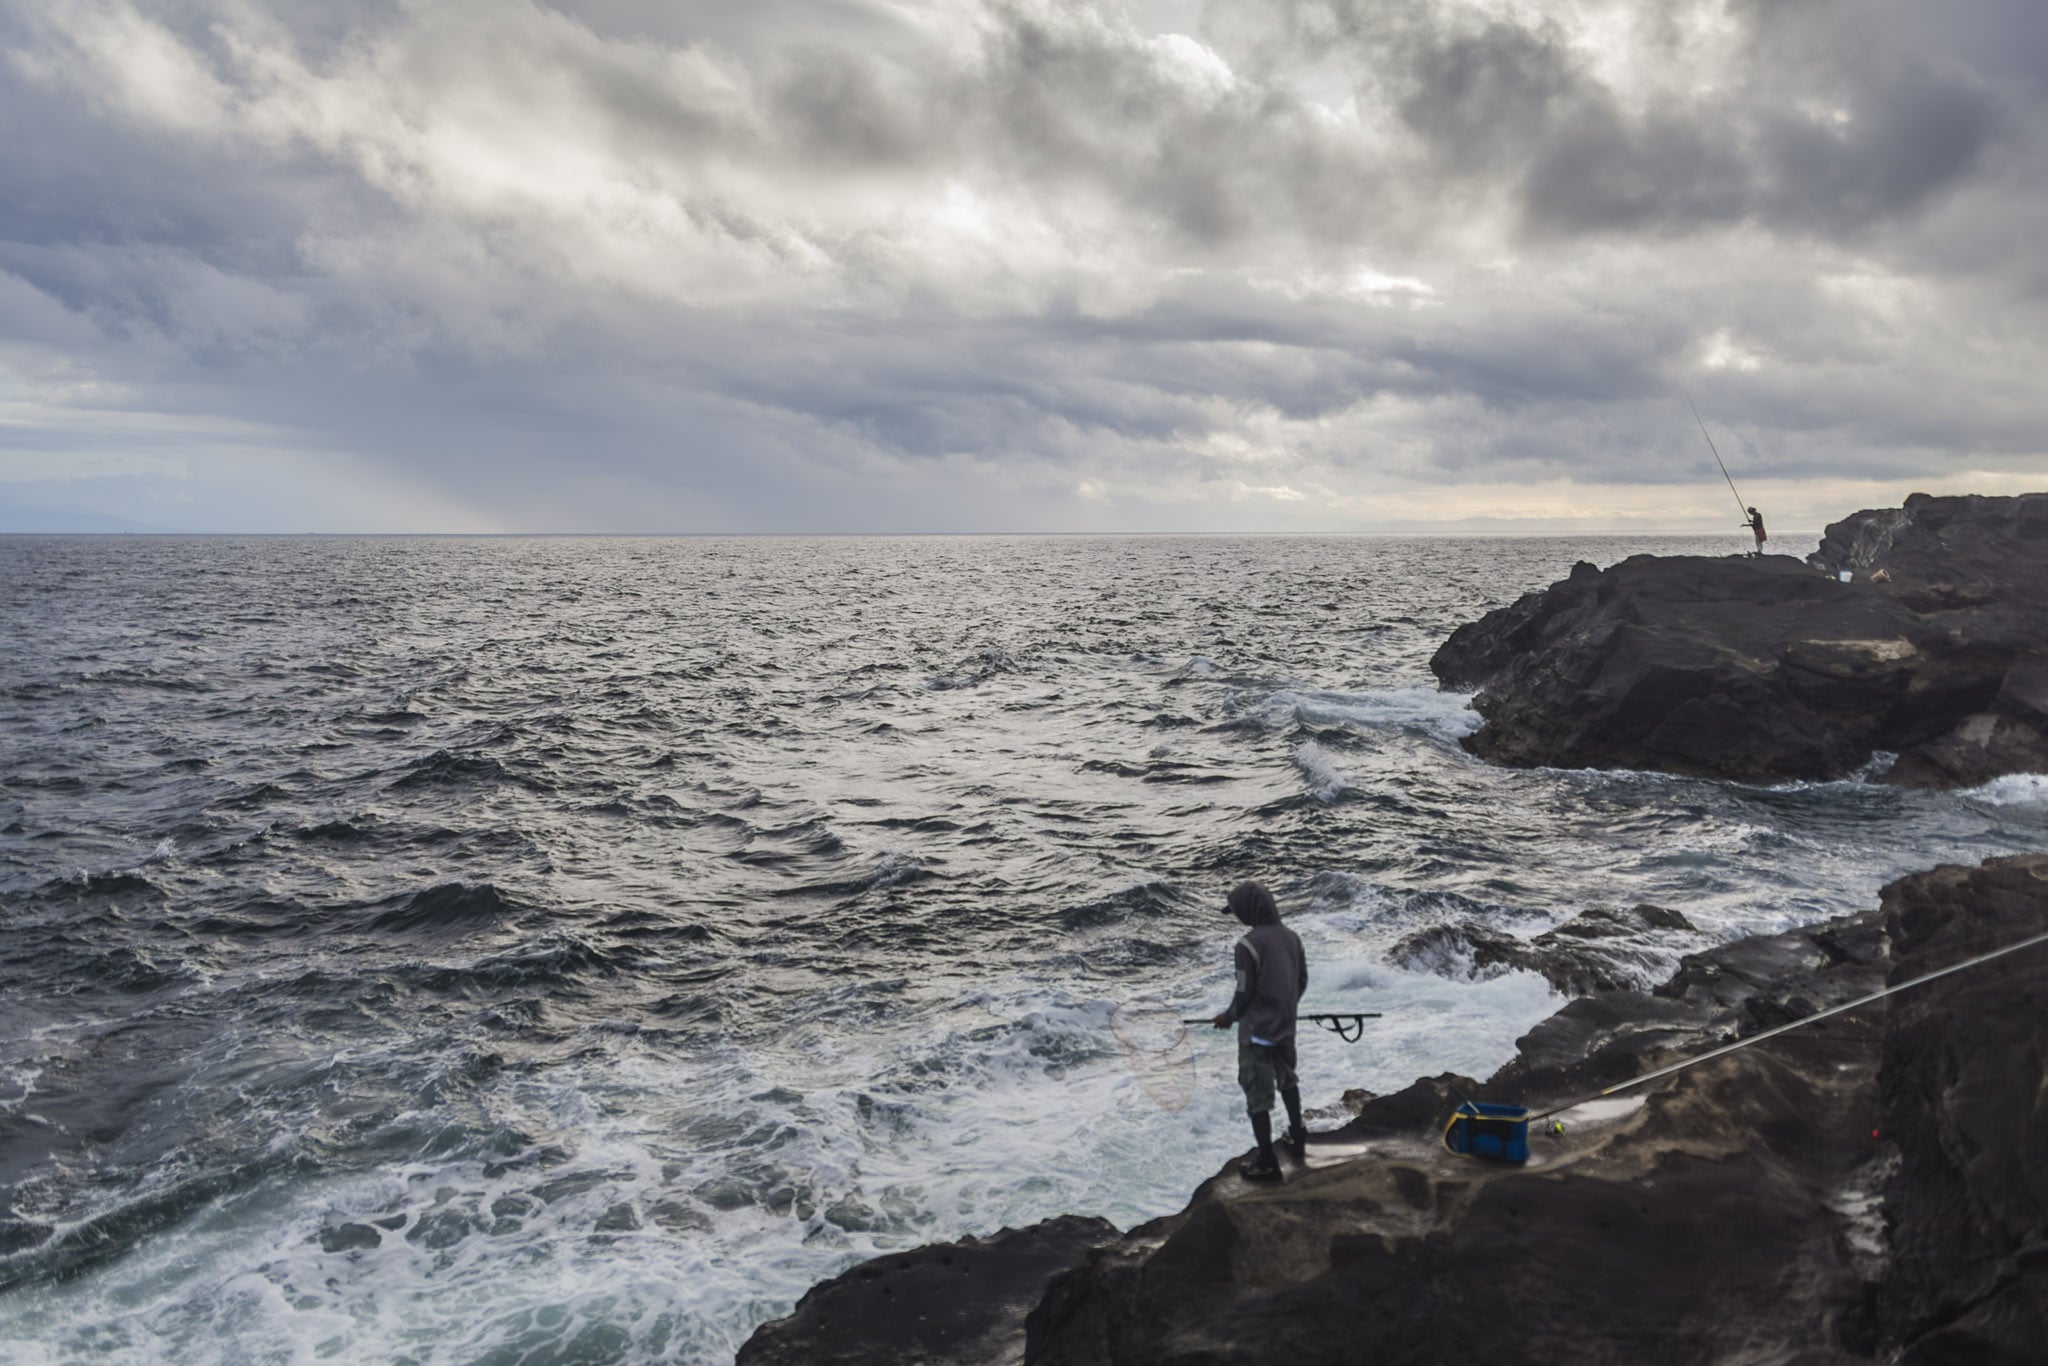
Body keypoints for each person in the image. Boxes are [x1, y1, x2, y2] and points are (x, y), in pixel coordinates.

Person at [1211, 880, 1307, 1181]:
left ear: (1250, 911)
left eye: (1238, 912)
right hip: (1285, 1028)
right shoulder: (1292, 938)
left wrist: (1229, 1017)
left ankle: (1267, 1162)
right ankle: (1298, 1135)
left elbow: (1243, 992)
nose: (1238, 918)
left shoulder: (1247, 945)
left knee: (1258, 1096)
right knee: (1288, 1081)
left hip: (1256, 1035)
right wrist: (1284, 1008)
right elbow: (1301, 980)